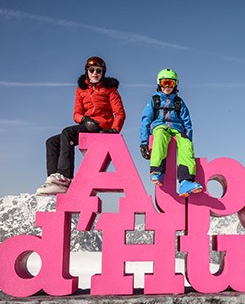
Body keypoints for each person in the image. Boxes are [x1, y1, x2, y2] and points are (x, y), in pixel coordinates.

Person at [36, 56, 126, 196]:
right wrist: (84, 119)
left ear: (103, 72)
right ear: (87, 71)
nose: (95, 73)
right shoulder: (81, 90)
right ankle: (54, 182)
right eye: (91, 70)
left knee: (68, 132)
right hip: (87, 125)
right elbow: (76, 113)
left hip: (102, 126)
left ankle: (65, 176)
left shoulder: (110, 89)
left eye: (98, 70)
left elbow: (119, 113)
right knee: (52, 142)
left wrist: (114, 130)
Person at [139, 68, 203, 198]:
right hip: (160, 126)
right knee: (160, 138)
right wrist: (144, 143)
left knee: (186, 145)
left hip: (176, 129)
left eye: (171, 83)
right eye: (164, 83)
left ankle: (186, 181)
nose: (167, 86)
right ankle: (156, 171)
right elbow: (145, 120)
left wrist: (188, 138)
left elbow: (187, 122)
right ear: (159, 84)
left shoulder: (179, 102)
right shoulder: (154, 100)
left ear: (175, 84)